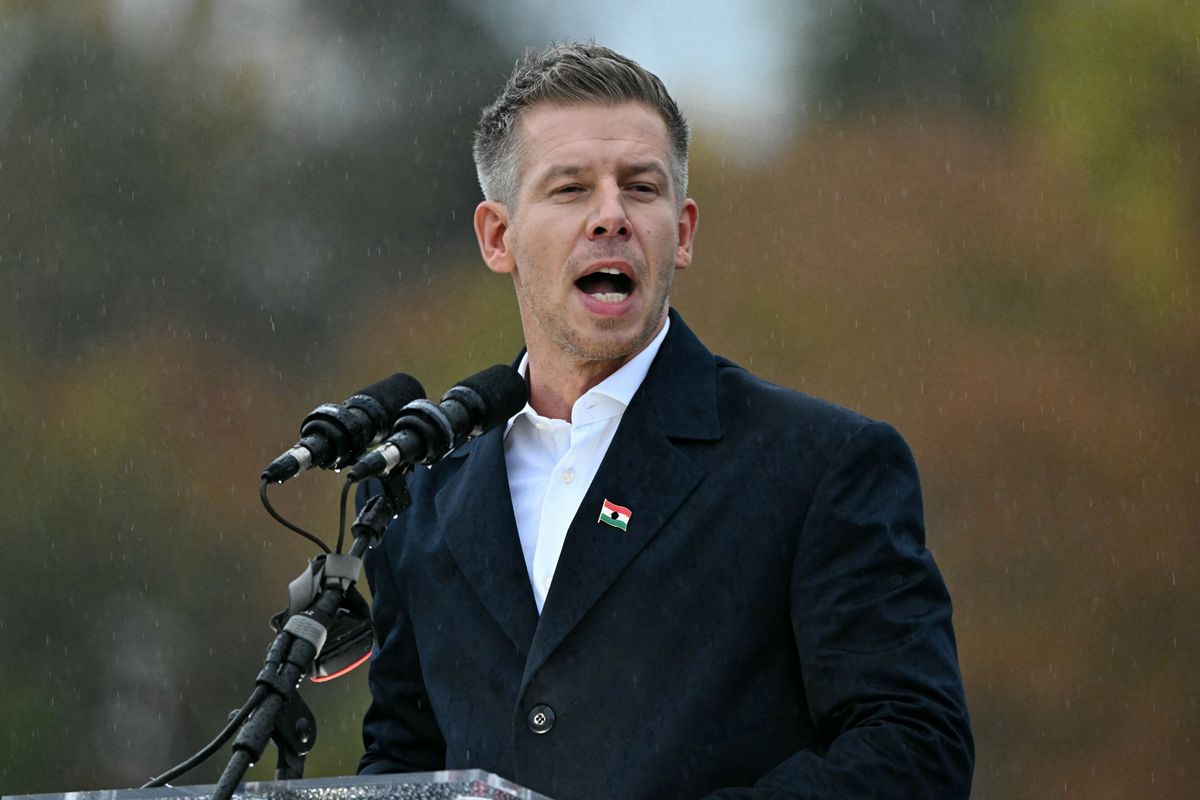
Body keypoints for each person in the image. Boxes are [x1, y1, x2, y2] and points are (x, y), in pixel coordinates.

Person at [358, 43, 973, 799]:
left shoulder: (820, 465)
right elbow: (405, 761)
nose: (611, 215)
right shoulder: (421, 485)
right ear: (498, 237)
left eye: (640, 188)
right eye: (571, 188)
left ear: (681, 233)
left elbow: (914, 746)